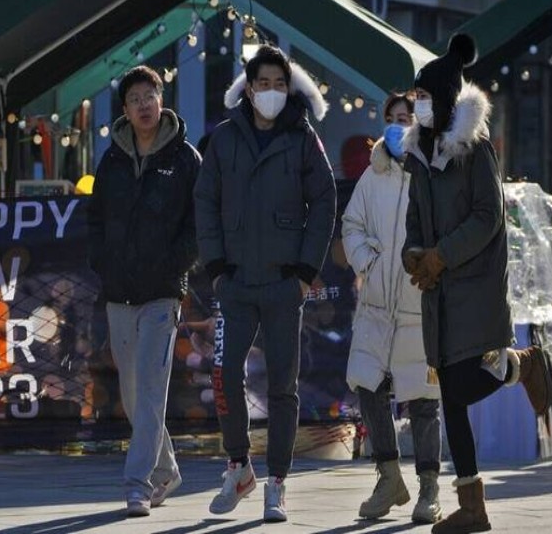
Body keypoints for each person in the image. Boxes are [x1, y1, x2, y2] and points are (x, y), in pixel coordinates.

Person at [401, 34, 552, 534]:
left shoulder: (476, 149)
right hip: (439, 290)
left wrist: (443, 255)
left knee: (461, 389)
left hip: (475, 283)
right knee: (450, 397)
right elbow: (415, 219)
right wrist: (414, 255)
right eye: (414, 98)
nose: (416, 105)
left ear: (444, 100)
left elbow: (490, 215)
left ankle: (521, 365)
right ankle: (472, 506)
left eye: (424, 98)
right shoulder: (417, 155)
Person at [194, 45, 336, 523]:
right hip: (234, 282)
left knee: (282, 387)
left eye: (280, 84)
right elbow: (205, 200)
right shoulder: (224, 138)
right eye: (263, 84)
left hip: (282, 284)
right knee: (224, 376)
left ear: (288, 88)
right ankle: (238, 466)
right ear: (248, 89)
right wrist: (215, 266)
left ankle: (277, 481)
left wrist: (303, 272)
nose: (271, 92)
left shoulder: (302, 137)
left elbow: (325, 200)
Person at [86, 65, 200, 517]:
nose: (144, 105)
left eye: (149, 95)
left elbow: (198, 223)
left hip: (162, 293)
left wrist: (178, 264)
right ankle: (167, 468)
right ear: (126, 111)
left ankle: (136, 484)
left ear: (161, 97)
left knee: (151, 390)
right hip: (119, 291)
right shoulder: (111, 160)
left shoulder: (186, 158)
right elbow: (94, 218)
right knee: (134, 397)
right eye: (134, 99)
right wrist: (103, 262)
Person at [342, 93, 442, 524]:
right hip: (376, 305)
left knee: (422, 399)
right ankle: (387, 476)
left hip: (420, 303)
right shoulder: (373, 175)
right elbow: (352, 224)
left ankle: (429, 488)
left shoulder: (434, 173)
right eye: (394, 119)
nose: (400, 125)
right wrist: (369, 260)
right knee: (368, 388)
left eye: (407, 118)